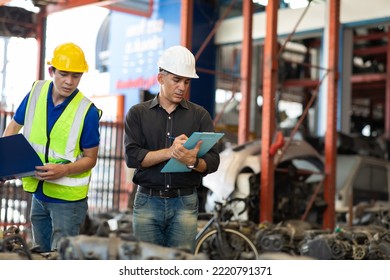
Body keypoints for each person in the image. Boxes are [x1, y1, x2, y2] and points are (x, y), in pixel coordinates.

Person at [2, 42, 102, 252]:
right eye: (64, 74)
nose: (69, 81)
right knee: (40, 254)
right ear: (51, 71)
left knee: (61, 259)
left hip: (68, 202)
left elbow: (91, 158)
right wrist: (5, 164)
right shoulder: (36, 92)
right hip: (38, 194)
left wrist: (64, 169)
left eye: (76, 76)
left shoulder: (87, 111)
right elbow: (13, 126)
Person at [124, 45, 220, 253]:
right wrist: (170, 152)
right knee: (146, 266)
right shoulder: (137, 114)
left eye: (186, 82)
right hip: (147, 202)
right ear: (160, 78)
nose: (182, 87)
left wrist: (193, 162)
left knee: (181, 264)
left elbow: (213, 161)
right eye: (176, 80)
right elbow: (133, 157)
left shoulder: (199, 115)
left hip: (184, 202)